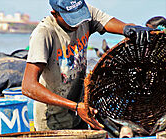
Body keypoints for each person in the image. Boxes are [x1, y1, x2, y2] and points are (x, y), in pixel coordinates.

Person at [22, 0, 154, 131]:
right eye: (71, 19)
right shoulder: (44, 33)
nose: (78, 23)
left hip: (80, 112)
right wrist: (75, 106)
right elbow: (28, 86)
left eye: (79, 17)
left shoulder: (84, 13)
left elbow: (107, 22)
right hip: (52, 119)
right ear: (55, 13)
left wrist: (128, 28)